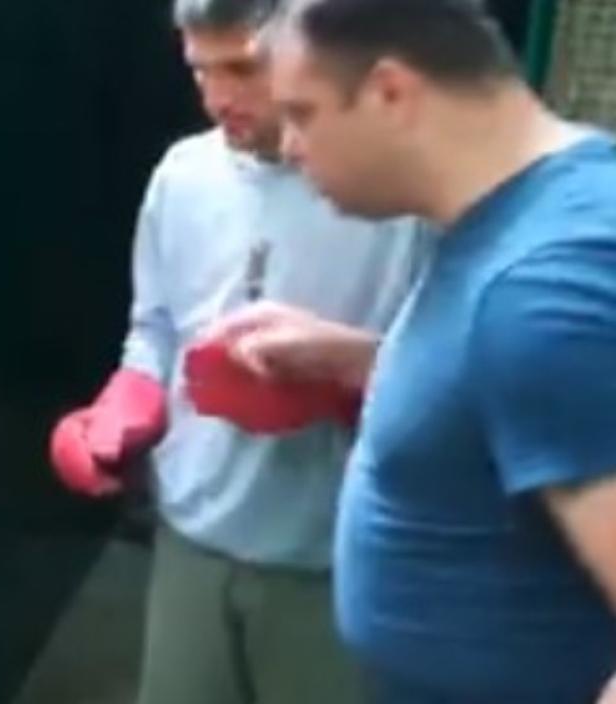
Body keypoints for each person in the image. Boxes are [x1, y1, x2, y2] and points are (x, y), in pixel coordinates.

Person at [209, 0, 616, 701]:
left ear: (390, 92)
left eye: (302, 113)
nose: (290, 146)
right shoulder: (546, 198)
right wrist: (361, 360)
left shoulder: (542, 294)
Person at [46, 1, 423, 702]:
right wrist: (127, 404)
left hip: (334, 560)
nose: (219, 97)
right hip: (193, 538)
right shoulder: (182, 176)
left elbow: (458, 377)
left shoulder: (398, 197)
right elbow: (156, 327)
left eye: (243, 69)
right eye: (200, 71)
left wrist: (350, 377)